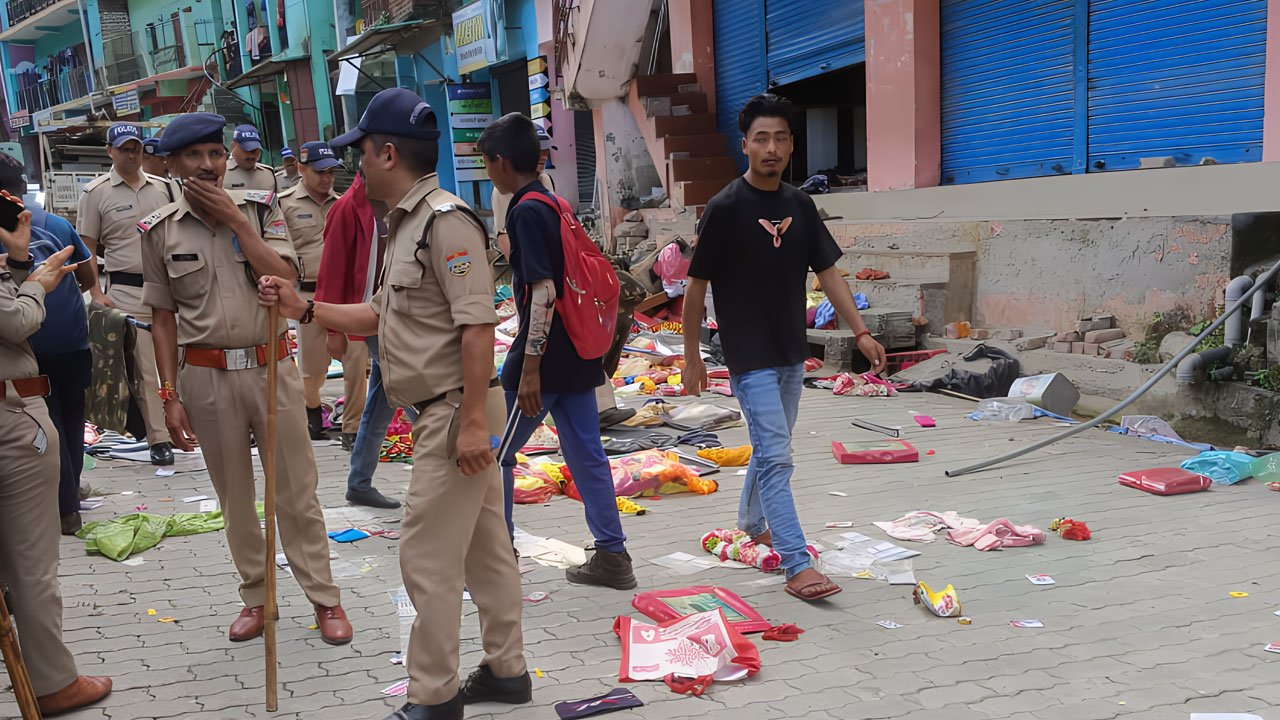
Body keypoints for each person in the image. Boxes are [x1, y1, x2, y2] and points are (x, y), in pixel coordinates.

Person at [259, 88, 527, 720]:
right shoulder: (403, 223)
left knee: (425, 557)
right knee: (486, 549)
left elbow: (477, 327)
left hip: (452, 411)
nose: (354, 168)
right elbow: (379, 313)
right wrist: (303, 306)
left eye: (361, 156)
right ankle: (509, 671)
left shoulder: (445, 220)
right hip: (443, 410)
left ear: (386, 153)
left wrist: (467, 428)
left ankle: (434, 696)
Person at [139, 112, 352, 645]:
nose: (209, 165)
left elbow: (285, 277)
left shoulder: (260, 210)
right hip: (206, 379)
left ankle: (325, 598)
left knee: (296, 493)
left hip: (270, 367)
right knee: (235, 497)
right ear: (170, 165)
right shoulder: (159, 231)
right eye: (195, 156)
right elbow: (163, 319)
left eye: (215, 153)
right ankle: (257, 596)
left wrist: (236, 221)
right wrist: (168, 396)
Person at [682, 94, 887, 602]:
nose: (771, 148)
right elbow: (694, 289)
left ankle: (752, 522)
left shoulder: (800, 204)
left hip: (792, 353)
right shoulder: (725, 208)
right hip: (748, 356)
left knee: (771, 453)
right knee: (777, 457)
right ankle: (797, 563)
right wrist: (690, 358)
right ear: (745, 145)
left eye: (780, 138)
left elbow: (830, 274)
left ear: (792, 144)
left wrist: (860, 330)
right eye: (761, 138)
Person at [479, 112, 635, 590]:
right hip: (580, 351)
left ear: (501, 163)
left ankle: (496, 556)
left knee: (496, 455)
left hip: (543, 359)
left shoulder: (524, 210)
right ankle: (612, 555)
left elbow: (542, 292)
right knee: (586, 453)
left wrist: (529, 370)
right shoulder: (554, 201)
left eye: (486, 162)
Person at [0, 200, 114, 715]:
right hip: (10, 416)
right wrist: (34, 280)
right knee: (31, 564)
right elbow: (15, 320)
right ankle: (52, 682)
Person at [1, 154, 95, 535]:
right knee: (71, 421)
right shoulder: (56, 224)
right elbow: (88, 277)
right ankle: (68, 498)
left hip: (28, 351)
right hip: (72, 342)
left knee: (49, 425)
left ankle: (64, 504)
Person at [77, 123, 176, 466]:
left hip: (171, 287)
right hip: (127, 290)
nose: (131, 154)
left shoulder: (165, 189)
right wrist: (95, 291)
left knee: (181, 362)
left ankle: (185, 426)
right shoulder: (96, 193)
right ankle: (159, 439)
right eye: (123, 149)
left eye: (136, 148)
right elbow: (85, 249)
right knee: (147, 369)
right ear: (110, 152)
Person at [315, 172, 409, 510]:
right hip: (369, 318)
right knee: (415, 394)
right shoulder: (347, 208)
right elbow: (332, 271)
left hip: (394, 316)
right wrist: (332, 331)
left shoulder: (397, 199)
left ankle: (359, 481)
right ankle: (447, 466)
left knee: (383, 399)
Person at [278, 141, 369, 446]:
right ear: (301, 169)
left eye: (331, 172)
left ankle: (353, 426)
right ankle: (313, 408)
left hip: (345, 296)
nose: (326, 178)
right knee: (313, 368)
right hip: (308, 295)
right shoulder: (284, 204)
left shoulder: (345, 204)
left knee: (355, 360)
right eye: (319, 172)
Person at [224, 124, 278, 192]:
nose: (251, 156)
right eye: (246, 149)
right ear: (232, 147)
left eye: (255, 150)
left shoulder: (268, 174)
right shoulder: (221, 173)